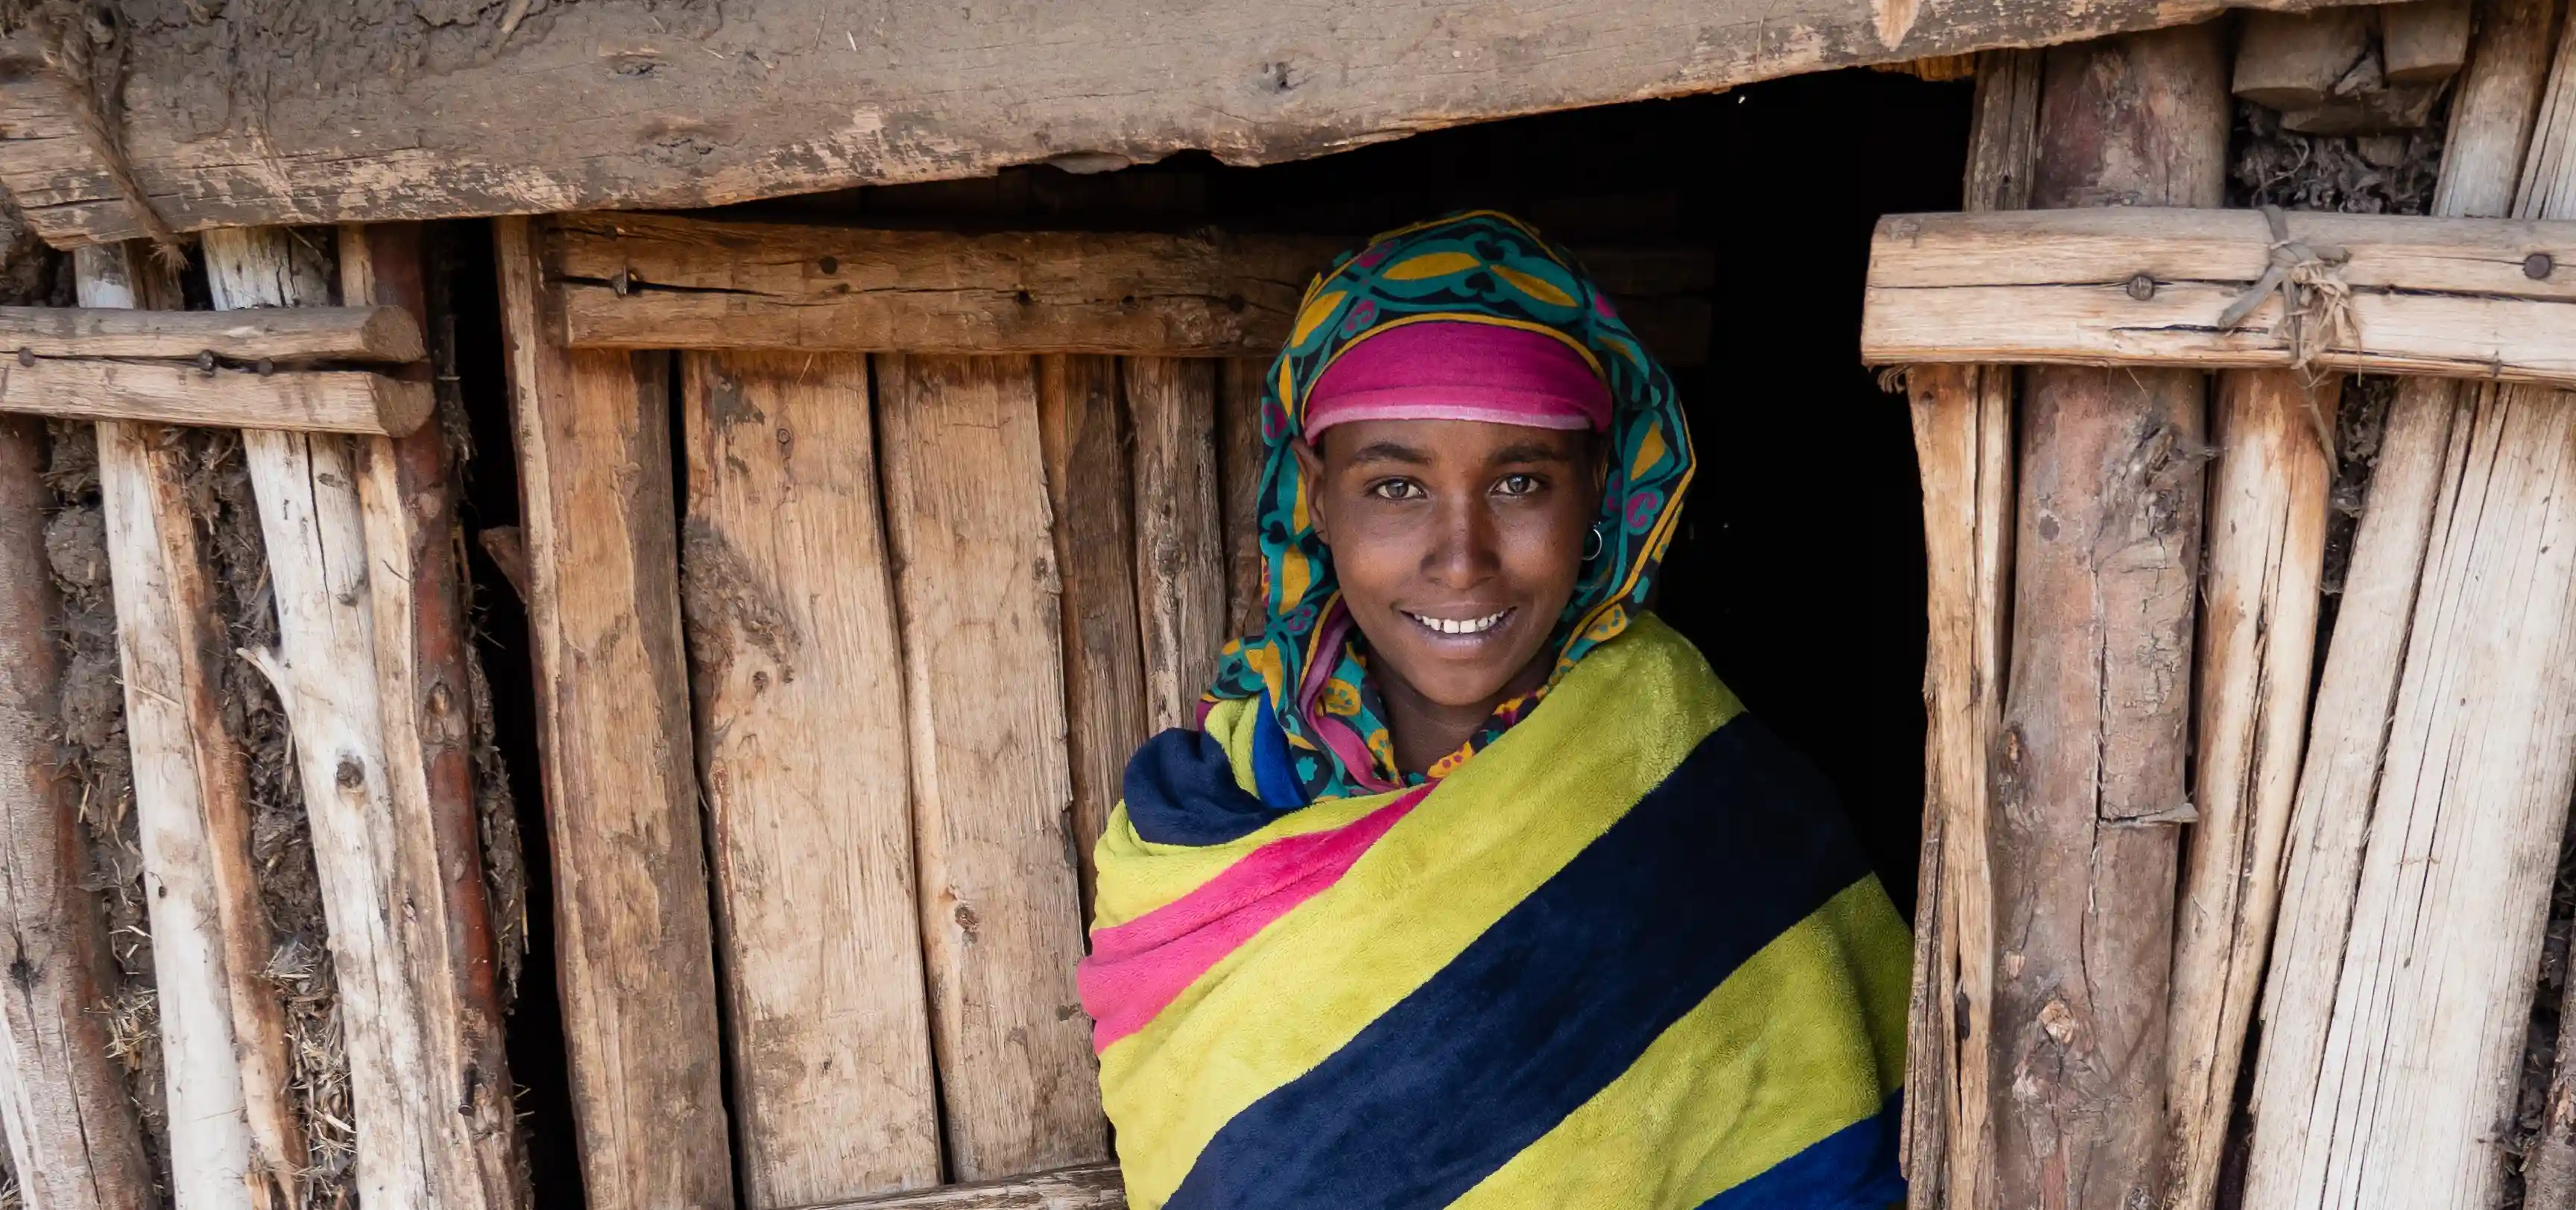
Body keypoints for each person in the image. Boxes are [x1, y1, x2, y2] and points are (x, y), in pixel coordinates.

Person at [1077, 211, 1910, 1210]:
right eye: (1395, 485)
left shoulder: (1710, 802)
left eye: (1519, 481)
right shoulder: (1197, 833)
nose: (1461, 555)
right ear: (1314, 495)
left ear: (1599, 487)